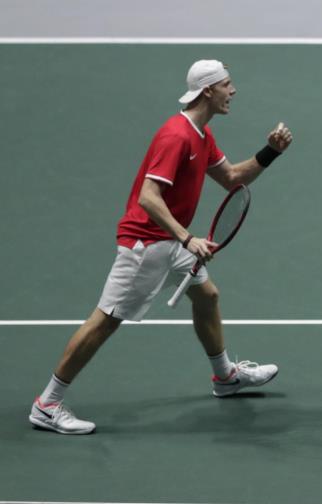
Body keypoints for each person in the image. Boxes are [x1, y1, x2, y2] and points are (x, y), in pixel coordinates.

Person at [29, 59, 293, 434]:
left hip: (170, 239)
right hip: (146, 243)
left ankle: (225, 378)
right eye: (227, 85)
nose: (233, 91)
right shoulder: (176, 136)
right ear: (208, 91)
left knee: (207, 296)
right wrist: (187, 238)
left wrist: (270, 151)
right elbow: (149, 197)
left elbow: (233, 177)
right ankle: (47, 404)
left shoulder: (201, 135)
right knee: (106, 321)